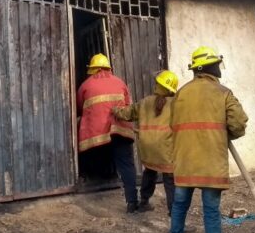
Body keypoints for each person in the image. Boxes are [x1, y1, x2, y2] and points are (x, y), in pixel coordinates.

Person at [167, 46, 248, 233]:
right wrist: (225, 133)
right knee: (211, 211)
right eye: (216, 64)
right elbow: (238, 125)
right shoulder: (223, 93)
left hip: (184, 162)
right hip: (210, 163)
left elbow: (173, 125)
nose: (219, 68)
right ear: (208, 67)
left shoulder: (180, 94)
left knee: (179, 206)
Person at [76, 53, 139, 213]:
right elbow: (128, 105)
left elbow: (79, 107)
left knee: (95, 152)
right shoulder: (120, 82)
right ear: (107, 68)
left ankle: (95, 179)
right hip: (121, 128)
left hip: (97, 132)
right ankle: (132, 202)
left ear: (93, 69)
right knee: (126, 164)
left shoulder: (85, 85)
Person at [113, 70, 179, 214]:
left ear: (157, 85)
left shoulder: (145, 102)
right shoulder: (176, 104)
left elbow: (127, 113)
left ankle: (144, 202)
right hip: (166, 149)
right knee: (169, 179)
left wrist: (115, 110)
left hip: (147, 148)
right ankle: (174, 214)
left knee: (150, 171)